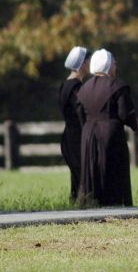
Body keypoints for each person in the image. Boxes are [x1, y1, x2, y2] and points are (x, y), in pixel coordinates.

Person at [77, 48, 138, 207]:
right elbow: (125, 113)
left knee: (91, 169)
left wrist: (87, 129)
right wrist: (136, 124)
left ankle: (91, 202)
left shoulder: (83, 88)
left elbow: (80, 113)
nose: (116, 65)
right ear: (107, 65)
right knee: (112, 168)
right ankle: (114, 203)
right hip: (110, 134)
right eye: (114, 62)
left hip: (88, 134)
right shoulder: (117, 86)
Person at [58, 46, 89, 202]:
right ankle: (83, 206)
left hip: (68, 136)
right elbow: (81, 113)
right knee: (82, 176)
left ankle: (76, 204)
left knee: (76, 177)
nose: (90, 63)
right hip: (77, 137)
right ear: (82, 63)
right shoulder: (76, 87)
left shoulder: (65, 85)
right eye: (88, 61)